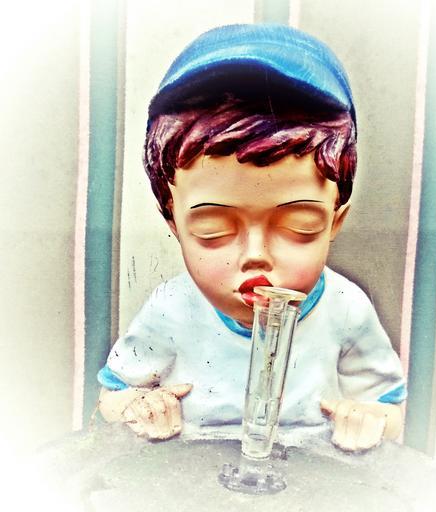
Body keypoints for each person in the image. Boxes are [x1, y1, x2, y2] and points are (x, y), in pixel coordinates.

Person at [97, 24, 407, 452]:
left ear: (335, 221)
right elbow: (113, 398)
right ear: (174, 222)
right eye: (213, 229)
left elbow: (388, 408)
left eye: (300, 226)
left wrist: (368, 421)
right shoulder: (173, 308)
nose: (256, 256)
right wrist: (141, 407)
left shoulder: (345, 309)